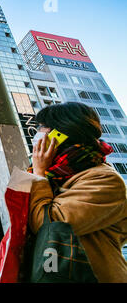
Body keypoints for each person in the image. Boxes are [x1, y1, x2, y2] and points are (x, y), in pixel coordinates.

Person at [28, 102, 127, 283]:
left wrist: (39, 173)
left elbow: (47, 226)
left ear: (59, 135)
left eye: (42, 127)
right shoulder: (57, 175)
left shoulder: (104, 180)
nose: (37, 134)